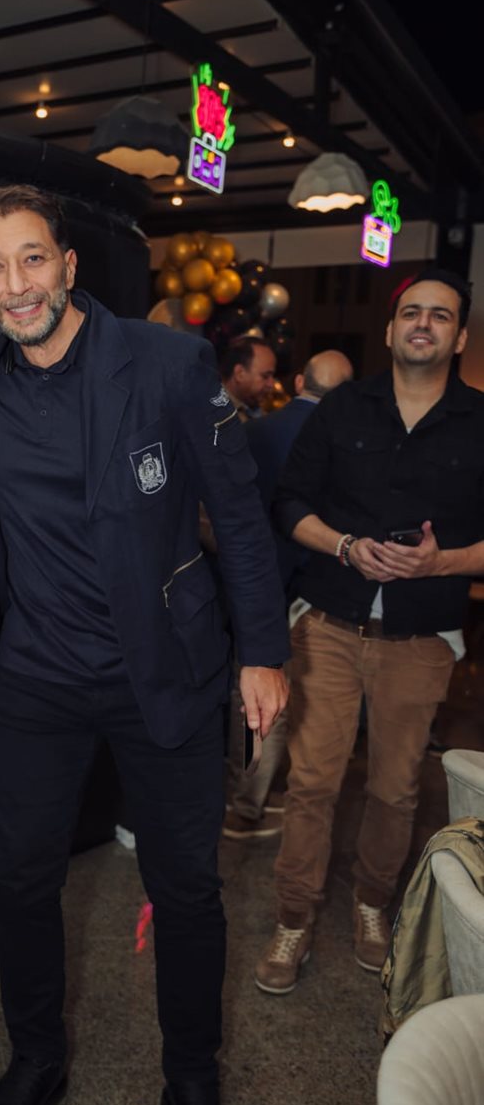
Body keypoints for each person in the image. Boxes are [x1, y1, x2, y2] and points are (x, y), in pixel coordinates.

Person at [0, 184, 288, 1105]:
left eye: (31, 258)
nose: (16, 284)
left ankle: (192, 1080)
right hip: (30, 682)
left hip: (165, 674)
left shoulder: (166, 362)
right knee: (20, 883)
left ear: (67, 265)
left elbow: (239, 511)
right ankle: (36, 1058)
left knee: (185, 889)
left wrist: (262, 650)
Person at [255, 269, 484, 994]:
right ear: (389, 330)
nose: (423, 324)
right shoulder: (344, 407)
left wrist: (440, 562)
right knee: (312, 782)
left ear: (460, 336)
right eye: (411, 312)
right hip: (328, 623)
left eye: (440, 315)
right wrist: (347, 546)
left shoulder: (480, 420)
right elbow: (289, 504)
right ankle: (293, 917)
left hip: (422, 637)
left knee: (394, 790)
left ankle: (372, 905)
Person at [223, 350, 354, 841]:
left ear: (300, 382)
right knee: (293, 702)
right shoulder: (343, 441)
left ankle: (245, 800)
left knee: (253, 696)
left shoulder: (256, 432)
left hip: (253, 581)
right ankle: (251, 805)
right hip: (313, 588)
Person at [219, 334, 277, 420]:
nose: (271, 384)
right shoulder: (215, 413)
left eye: (272, 376)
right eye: (265, 376)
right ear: (239, 373)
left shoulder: (259, 411)